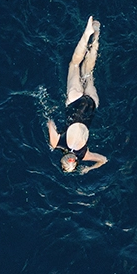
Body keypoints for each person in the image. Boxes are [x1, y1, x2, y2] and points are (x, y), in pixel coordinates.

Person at [47, 16, 108, 174]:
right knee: (74, 64)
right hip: (74, 101)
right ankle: (87, 33)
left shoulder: (84, 154)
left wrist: (89, 169)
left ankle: (96, 36)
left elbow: (103, 159)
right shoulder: (56, 143)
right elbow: (49, 121)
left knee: (88, 71)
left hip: (91, 105)